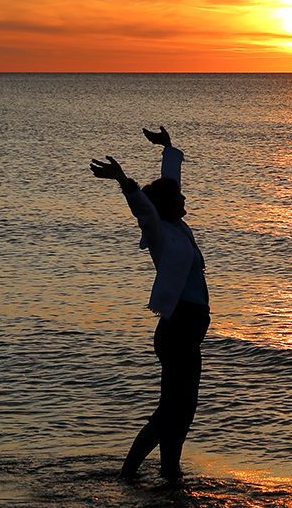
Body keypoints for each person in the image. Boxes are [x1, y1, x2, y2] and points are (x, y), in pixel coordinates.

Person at [91, 125, 211, 482]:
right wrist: (123, 180)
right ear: (168, 206)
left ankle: (170, 471)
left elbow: (169, 184)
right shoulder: (160, 232)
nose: (184, 198)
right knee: (172, 410)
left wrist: (168, 147)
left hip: (189, 332)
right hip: (177, 331)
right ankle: (127, 473)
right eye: (179, 197)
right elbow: (144, 207)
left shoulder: (178, 225)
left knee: (183, 410)